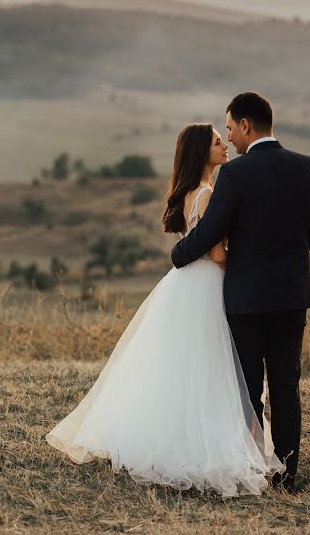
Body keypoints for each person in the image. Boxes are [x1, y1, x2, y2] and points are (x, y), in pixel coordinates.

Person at [46, 123, 284, 498]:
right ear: (201, 152)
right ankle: (200, 448)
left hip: (186, 285)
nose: (225, 146)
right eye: (217, 142)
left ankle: (166, 438)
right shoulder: (206, 195)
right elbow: (219, 254)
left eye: (224, 140)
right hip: (206, 284)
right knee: (209, 366)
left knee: (181, 366)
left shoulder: (190, 193)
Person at [171, 92, 310, 494]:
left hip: (246, 297)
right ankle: (287, 477)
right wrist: (284, 254)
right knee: (286, 385)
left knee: (247, 387)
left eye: (229, 128)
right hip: (291, 294)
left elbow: (209, 231)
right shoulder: (308, 167)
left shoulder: (236, 174)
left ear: (245, 125)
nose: (228, 136)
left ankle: (252, 467)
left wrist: (179, 254)